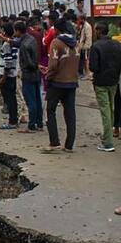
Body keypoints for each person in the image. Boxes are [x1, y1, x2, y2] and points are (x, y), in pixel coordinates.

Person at [43, 19, 80, 153]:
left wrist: (48, 75)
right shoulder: (76, 44)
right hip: (72, 82)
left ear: (57, 30)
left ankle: (54, 142)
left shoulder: (56, 42)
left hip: (57, 82)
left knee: (50, 111)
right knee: (70, 113)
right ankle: (69, 145)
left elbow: (53, 65)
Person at [90, 21, 121, 152]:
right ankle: (108, 136)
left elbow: (93, 67)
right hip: (114, 81)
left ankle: (108, 142)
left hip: (101, 83)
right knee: (111, 108)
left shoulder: (96, 46)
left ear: (98, 31)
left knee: (105, 111)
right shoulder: (117, 45)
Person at [16, 20, 43, 133]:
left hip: (28, 74)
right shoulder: (31, 39)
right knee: (37, 99)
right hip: (36, 73)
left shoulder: (24, 45)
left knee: (30, 100)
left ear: (17, 31)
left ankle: (31, 125)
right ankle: (39, 123)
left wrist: (31, 67)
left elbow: (28, 62)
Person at [0, 23, 19, 130]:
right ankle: (14, 119)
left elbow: (8, 62)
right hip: (13, 74)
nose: (0, 33)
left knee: (9, 98)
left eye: (1, 31)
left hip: (8, 75)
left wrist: (3, 77)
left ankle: (12, 121)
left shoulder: (7, 45)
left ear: (5, 32)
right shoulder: (14, 43)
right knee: (12, 98)